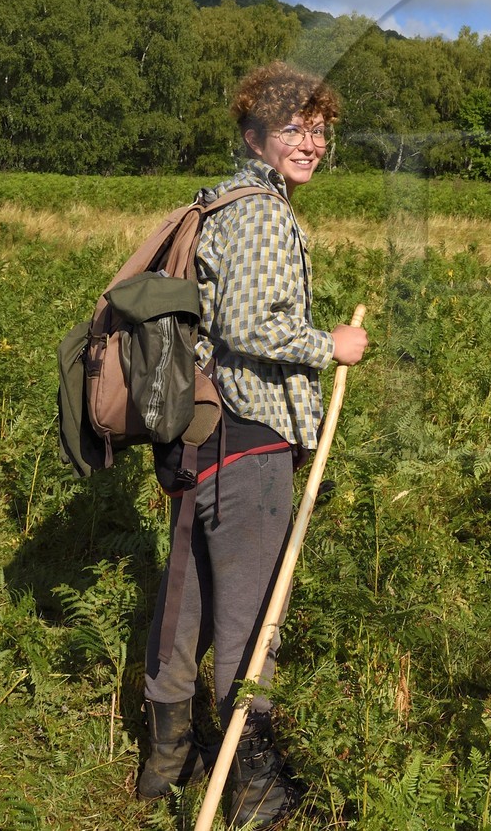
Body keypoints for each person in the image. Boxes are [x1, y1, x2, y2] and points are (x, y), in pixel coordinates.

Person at [137, 61, 367, 826]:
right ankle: (253, 784)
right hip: (251, 437)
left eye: (318, 127)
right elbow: (250, 325)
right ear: (253, 136)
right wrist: (329, 343)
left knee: (189, 598)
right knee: (253, 615)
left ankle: (165, 760)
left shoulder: (219, 202)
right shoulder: (264, 213)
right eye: (292, 129)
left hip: (201, 436)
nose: (311, 142)